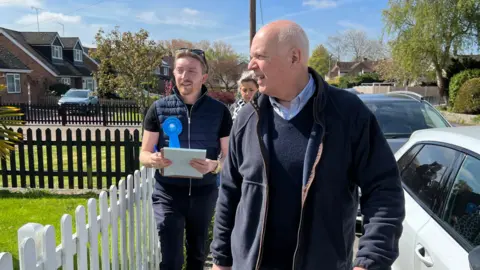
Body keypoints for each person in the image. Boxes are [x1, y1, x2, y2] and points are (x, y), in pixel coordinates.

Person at [210, 20, 405, 270]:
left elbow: (384, 190)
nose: (251, 65)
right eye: (251, 57)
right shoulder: (247, 118)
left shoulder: (349, 114)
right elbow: (229, 192)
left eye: (260, 56)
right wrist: (221, 261)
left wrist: (370, 260)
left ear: (294, 57)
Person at [140, 48, 233, 270]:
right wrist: (153, 160)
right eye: (180, 70)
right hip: (168, 194)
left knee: (197, 256)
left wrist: (215, 166)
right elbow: (143, 154)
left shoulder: (220, 112)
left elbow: (229, 156)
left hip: (203, 193)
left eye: (192, 71)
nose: (185, 76)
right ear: (173, 73)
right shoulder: (158, 109)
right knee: (171, 260)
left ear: (204, 77)